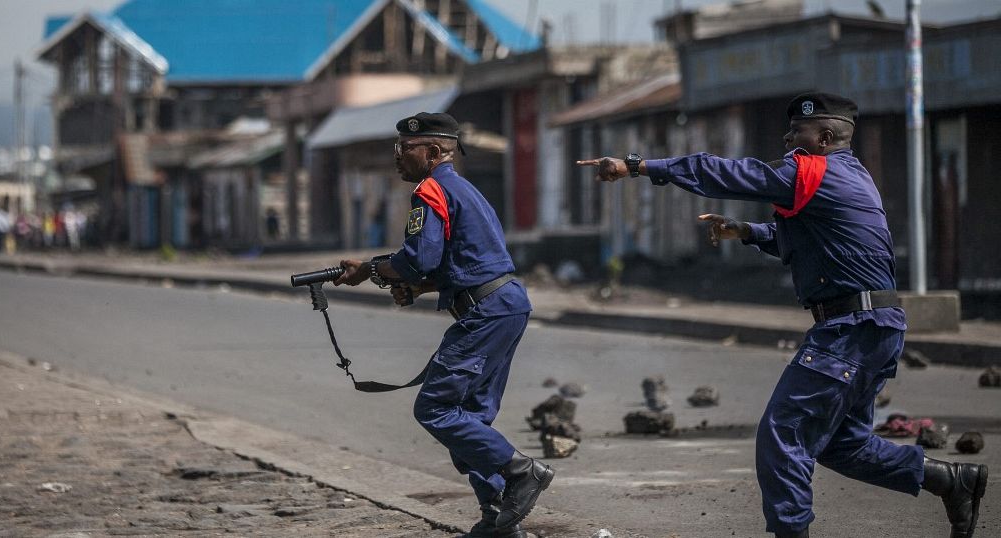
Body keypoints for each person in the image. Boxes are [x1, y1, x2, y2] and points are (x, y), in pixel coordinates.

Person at [577, 92, 988, 538]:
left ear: (825, 137)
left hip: (850, 330)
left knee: (782, 435)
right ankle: (952, 481)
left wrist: (640, 166)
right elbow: (808, 241)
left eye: (798, 132)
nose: (788, 138)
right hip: (876, 325)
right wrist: (748, 231)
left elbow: (729, 173)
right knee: (841, 444)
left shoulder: (812, 169)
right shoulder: (851, 175)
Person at [334, 112, 553, 538]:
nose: (397, 156)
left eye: (405, 148)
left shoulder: (430, 190)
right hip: (502, 303)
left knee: (434, 408)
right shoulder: (464, 190)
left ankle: (522, 473)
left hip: (487, 312)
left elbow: (419, 258)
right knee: (471, 417)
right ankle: (499, 521)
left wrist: (371, 269)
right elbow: (466, 262)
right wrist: (417, 289)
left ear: (433, 153)